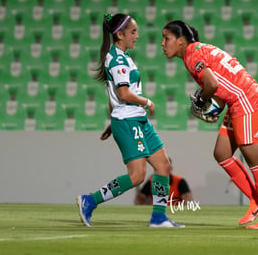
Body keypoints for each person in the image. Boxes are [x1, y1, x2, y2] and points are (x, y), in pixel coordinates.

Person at [160, 20, 258, 229]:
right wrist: (213, 104)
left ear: (181, 41)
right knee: (222, 153)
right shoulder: (199, 49)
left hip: (247, 102)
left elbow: (213, 85)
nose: (162, 43)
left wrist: (201, 101)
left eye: (166, 38)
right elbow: (221, 82)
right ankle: (257, 201)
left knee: (255, 160)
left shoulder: (192, 56)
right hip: (239, 102)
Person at [76, 13, 184, 228]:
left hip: (135, 120)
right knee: (137, 177)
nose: (137, 35)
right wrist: (147, 102)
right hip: (129, 122)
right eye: (133, 31)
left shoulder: (122, 57)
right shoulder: (117, 59)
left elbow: (112, 94)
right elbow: (124, 94)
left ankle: (158, 217)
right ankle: (90, 200)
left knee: (163, 166)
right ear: (119, 34)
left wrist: (112, 120)